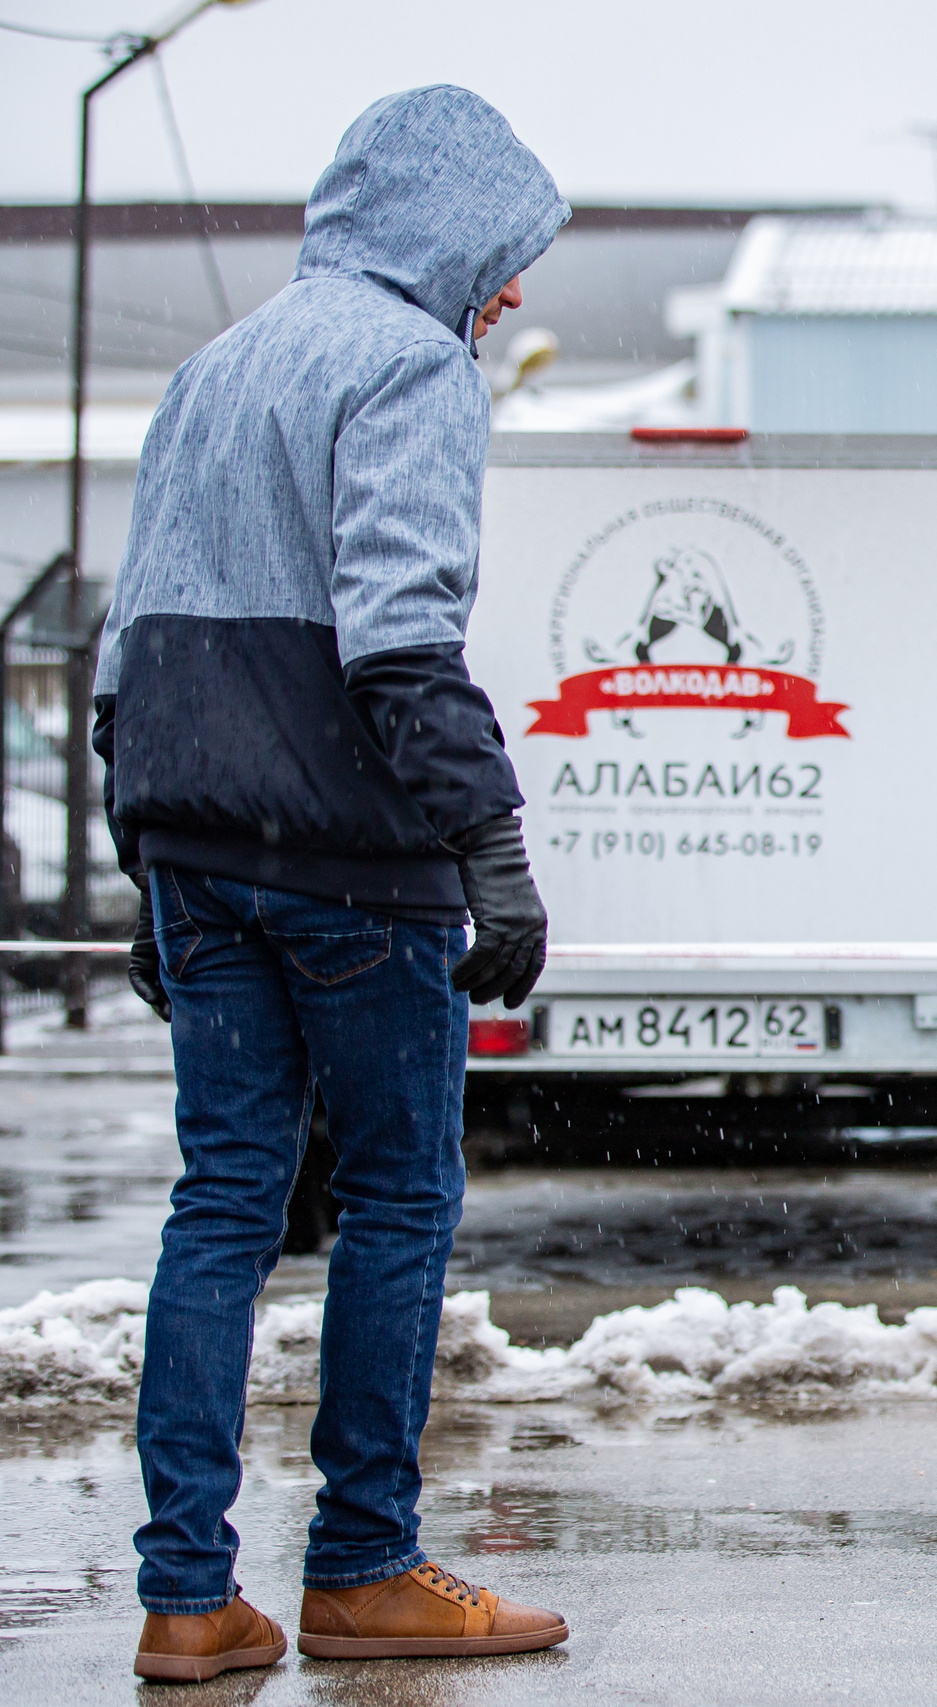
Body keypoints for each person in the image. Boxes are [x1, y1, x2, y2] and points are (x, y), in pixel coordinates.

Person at [95, 87, 569, 1682]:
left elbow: (125, 648)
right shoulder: (410, 365)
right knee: (396, 1198)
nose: (508, 295)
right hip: (351, 869)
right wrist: (490, 848)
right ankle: (363, 1564)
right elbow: (397, 632)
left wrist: (139, 853)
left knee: (222, 1205)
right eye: (501, 257)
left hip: (197, 851)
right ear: (440, 231)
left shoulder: (211, 369)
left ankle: (185, 1596)